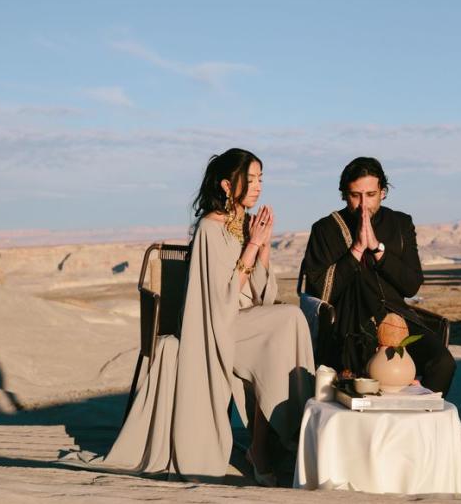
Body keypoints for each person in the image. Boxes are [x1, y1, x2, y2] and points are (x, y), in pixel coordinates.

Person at [83, 148, 314, 484]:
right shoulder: (210, 227)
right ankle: (270, 445)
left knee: (284, 330)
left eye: (260, 179)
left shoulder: (245, 225)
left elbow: (266, 295)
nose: (257, 186)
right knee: (288, 322)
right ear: (225, 184)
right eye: (249, 179)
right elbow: (221, 298)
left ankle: (266, 445)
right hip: (215, 326)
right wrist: (252, 246)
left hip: (245, 322)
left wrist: (263, 249)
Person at [299, 156, 456, 393]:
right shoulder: (325, 229)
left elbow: (411, 285)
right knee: (368, 376)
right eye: (355, 195)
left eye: (370, 195)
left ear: (383, 192)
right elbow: (320, 291)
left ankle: (415, 424)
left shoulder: (401, 224)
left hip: (397, 322)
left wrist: (378, 250)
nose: (363, 204)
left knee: (443, 363)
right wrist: (356, 250)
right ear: (344, 194)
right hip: (349, 326)